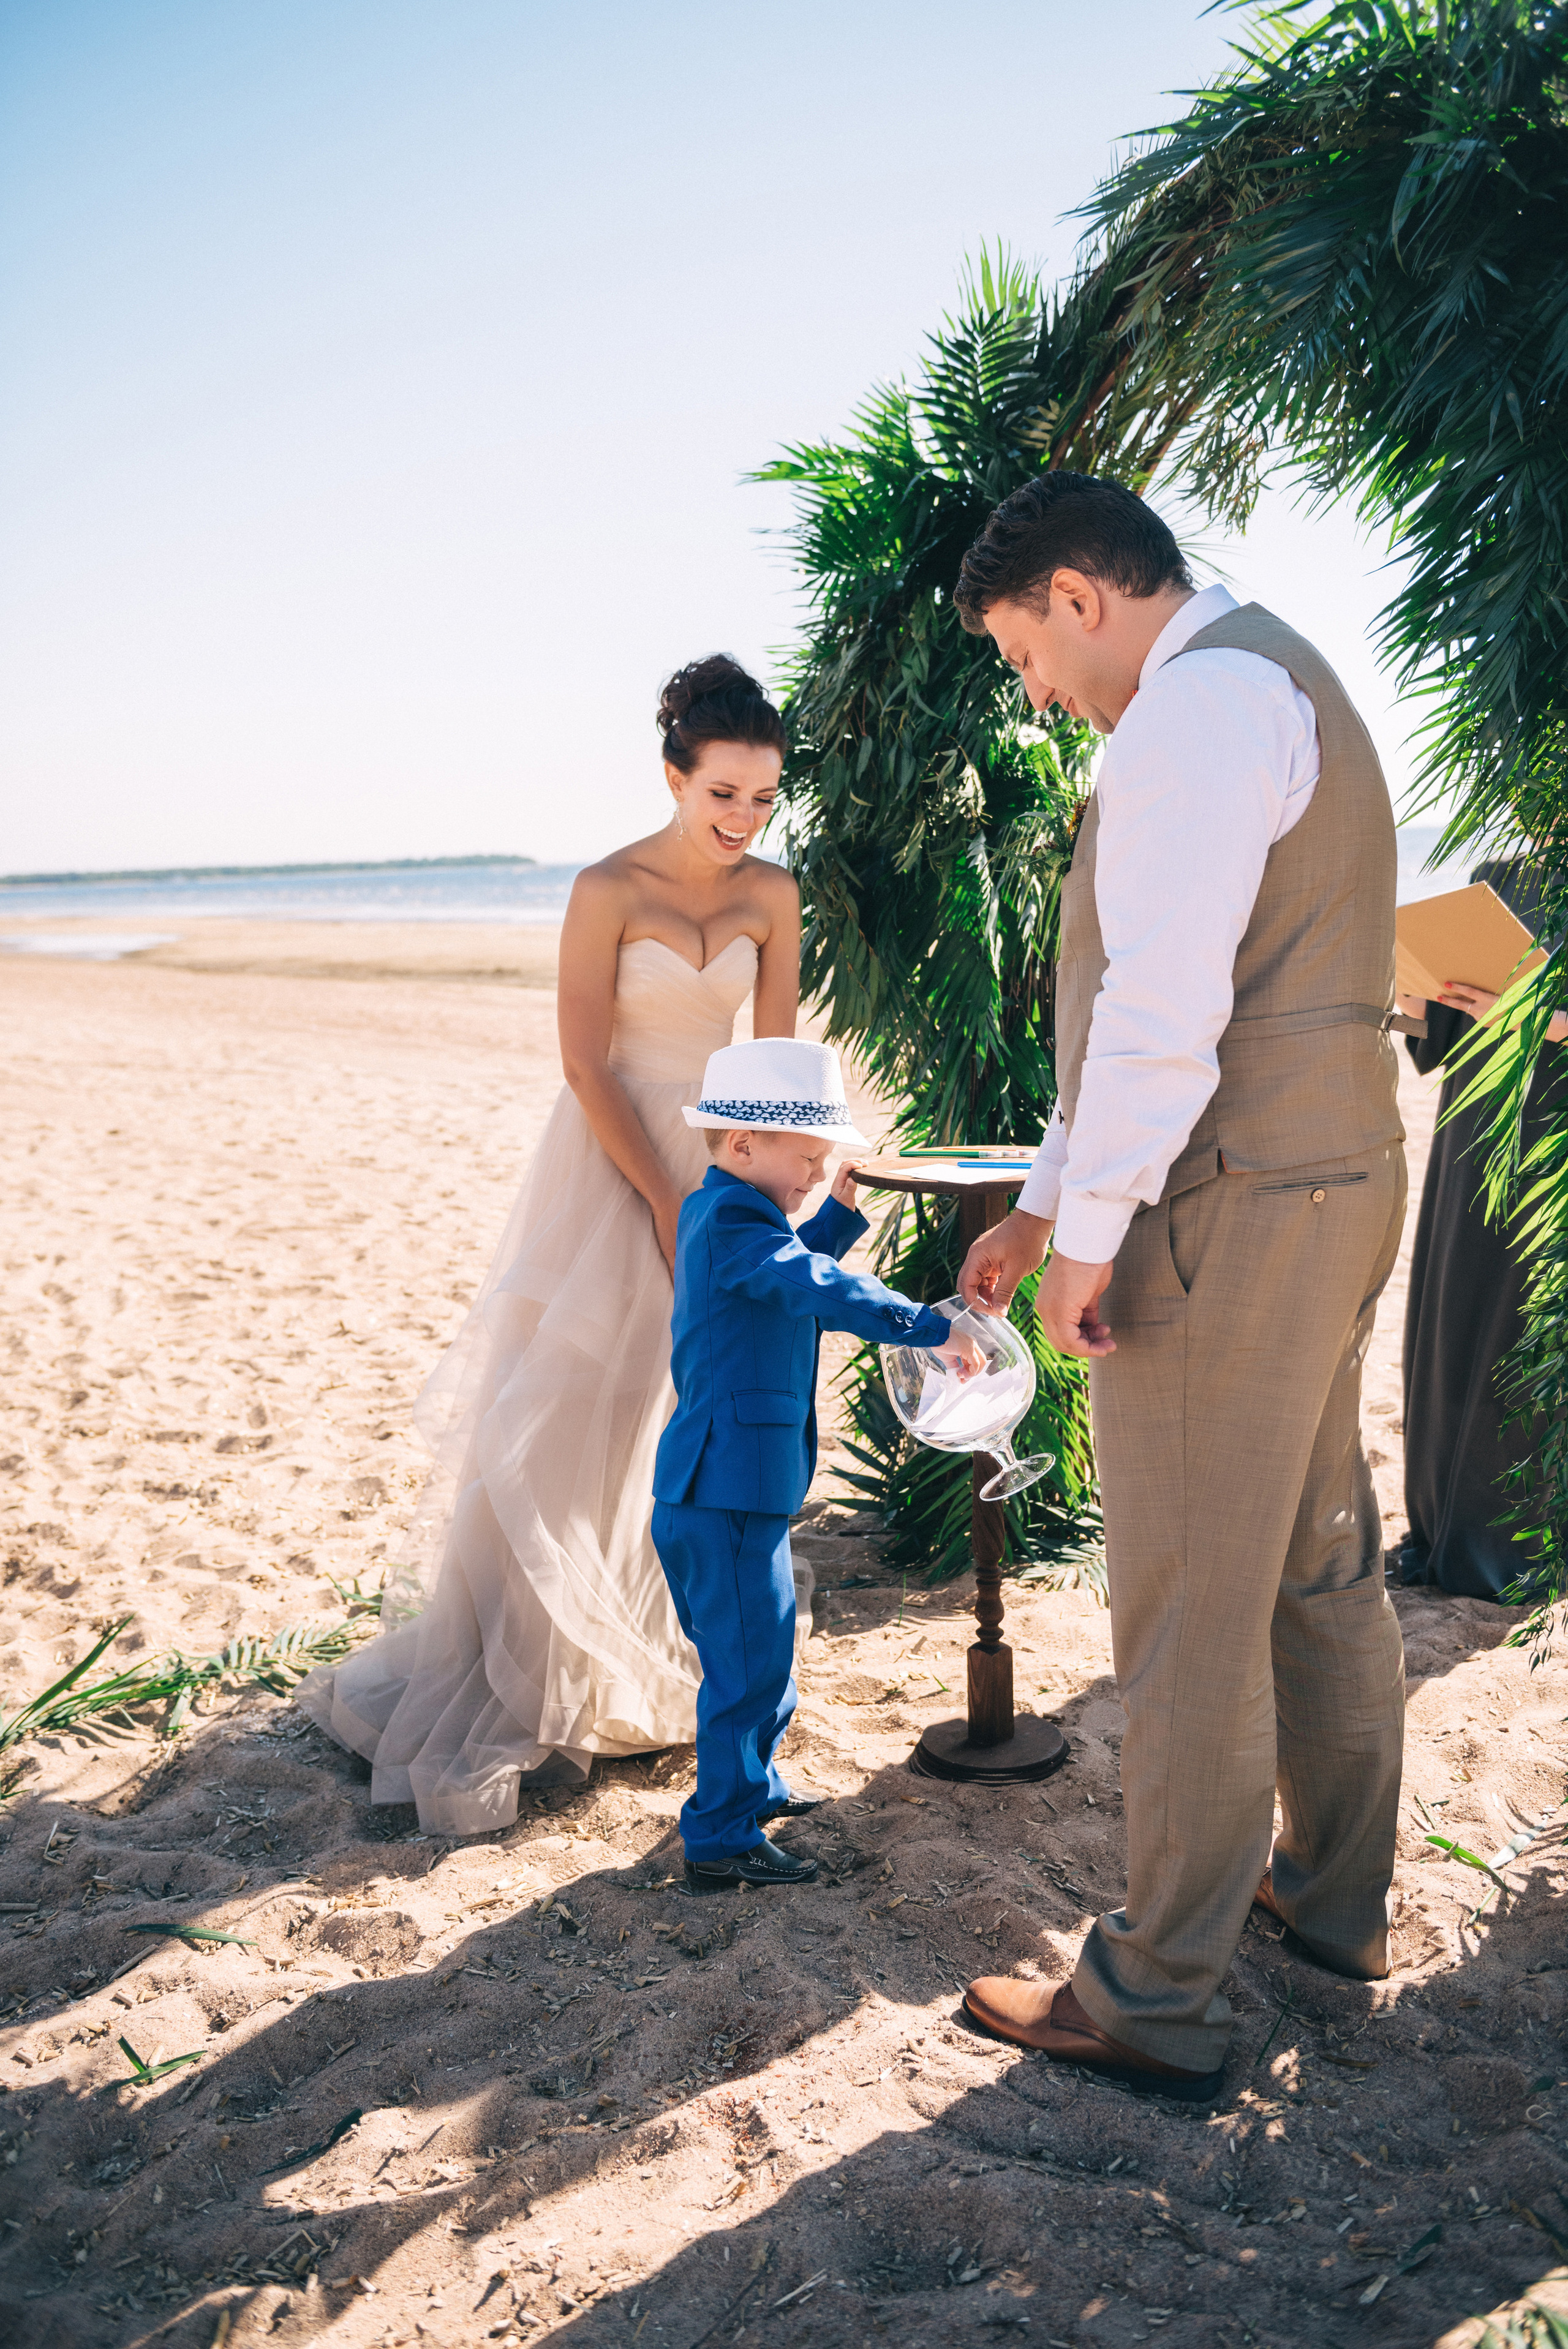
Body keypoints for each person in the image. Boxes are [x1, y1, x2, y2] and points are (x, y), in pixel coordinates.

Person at [950, 474, 1409, 2100]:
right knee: (1311, 1560)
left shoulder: (1192, 715)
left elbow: (1161, 1010)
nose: (1039, 691)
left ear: (1080, 595)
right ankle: (1334, 1905)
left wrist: (1090, 1244)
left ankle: (1156, 1997)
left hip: (1233, 1208)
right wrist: (1036, 1207)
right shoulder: (1281, 678)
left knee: (1190, 1605)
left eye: (1024, 653)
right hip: (1336, 1179)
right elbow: (1143, 1015)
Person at [298, 656, 802, 1834]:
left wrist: (751, 1196)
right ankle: (530, 1668)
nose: (743, 820)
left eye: (764, 800)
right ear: (675, 776)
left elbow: (771, 1074)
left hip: (722, 1165)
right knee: (575, 1402)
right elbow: (584, 1062)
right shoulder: (606, 886)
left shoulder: (774, 895)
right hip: (611, 1155)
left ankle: (642, 1650)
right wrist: (664, 1203)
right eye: (724, 793)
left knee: (686, 1409)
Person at [652, 1036, 981, 1891]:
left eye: (823, 1159)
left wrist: (831, 1216)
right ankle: (719, 1836)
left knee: (764, 1655)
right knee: (748, 1666)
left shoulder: (727, 1214)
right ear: (743, 1145)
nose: (813, 1172)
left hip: (733, 1491)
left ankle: (751, 1787)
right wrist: (926, 1323)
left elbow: (789, 1272)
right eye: (808, 1158)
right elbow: (809, 1286)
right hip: (720, 1494)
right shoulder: (732, 1223)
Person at [1395, 856, 1568, 1598]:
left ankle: (1513, 1544)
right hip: (1472, 1140)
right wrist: (1411, 988)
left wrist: (1531, 1017)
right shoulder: (1498, 876)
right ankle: (1444, 1526)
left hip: (1550, 1147)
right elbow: (1434, 1039)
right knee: (1454, 1326)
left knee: (1519, 1335)